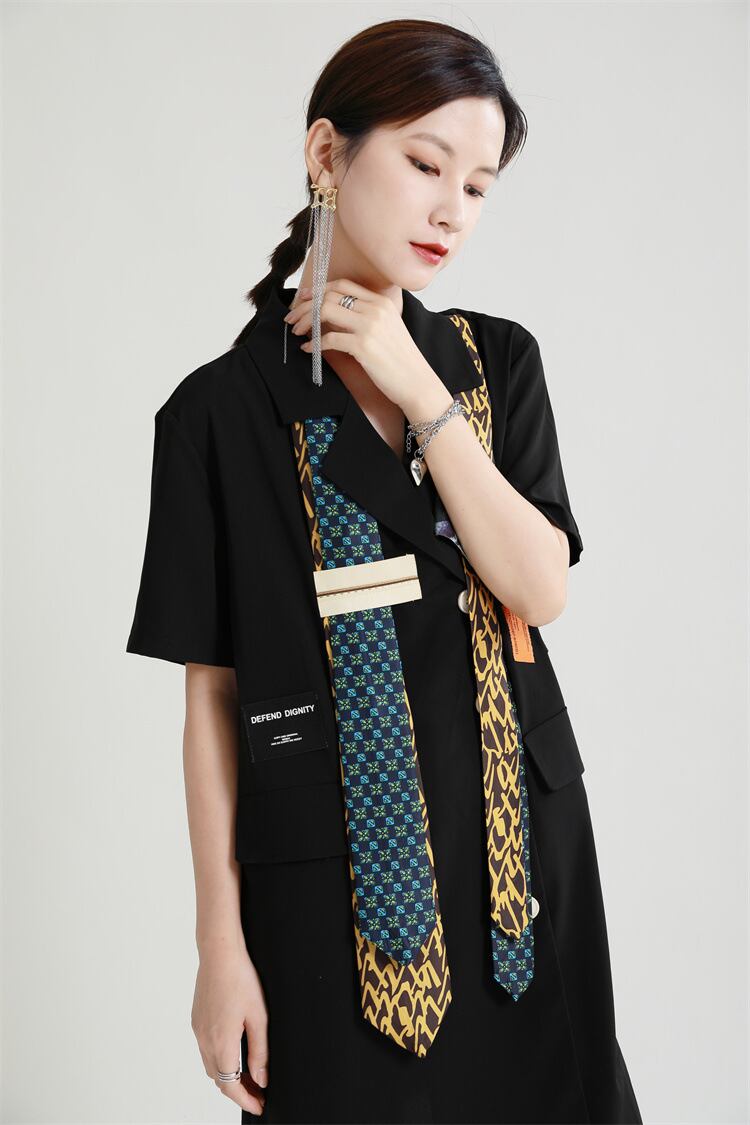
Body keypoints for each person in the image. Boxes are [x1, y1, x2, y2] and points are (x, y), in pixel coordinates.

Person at [125, 17, 642, 1125]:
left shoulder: (495, 363)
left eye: (480, 186)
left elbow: (540, 588)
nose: (453, 209)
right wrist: (219, 946)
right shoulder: (215, 415)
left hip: (521, 861)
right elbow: (212, 697)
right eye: (424, 164)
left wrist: (417, 387)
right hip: (330, 883)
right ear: (327, 154)